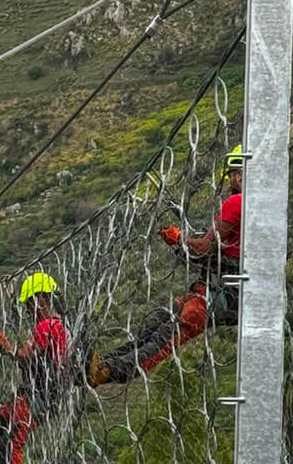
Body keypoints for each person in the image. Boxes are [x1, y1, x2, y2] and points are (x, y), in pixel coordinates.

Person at [87, 146, 244, 388]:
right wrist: (180, 244)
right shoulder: (257, 207)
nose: (236, 178)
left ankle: (108, 370)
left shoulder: (237, 202)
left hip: (219, 293)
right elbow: (207, 253)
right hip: (217, 291)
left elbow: (203, 249)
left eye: (239, 171)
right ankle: (103, 365)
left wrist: (180, 239)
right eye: (234, 172)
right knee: (157, 327)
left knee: (162, 339)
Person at [0, 272, 70, 464]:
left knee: (12, 442)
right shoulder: (55, 325)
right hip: (39, 395)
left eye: (30, 304)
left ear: (41, 299)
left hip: (39, 397)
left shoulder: (48, 326)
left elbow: (25, 357)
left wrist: (4, 345)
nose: (28, 309)